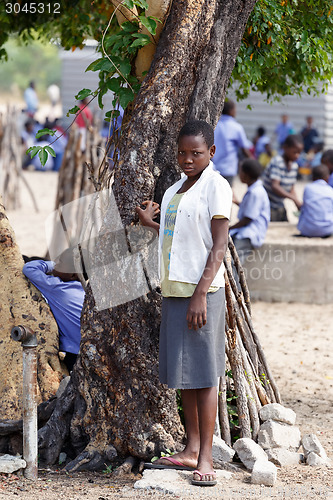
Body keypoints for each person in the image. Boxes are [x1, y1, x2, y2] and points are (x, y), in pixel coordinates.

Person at [136, 120, 232, 487]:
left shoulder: (216, 187)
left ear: (211, 152)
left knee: (205, 374)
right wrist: (151, 224)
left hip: (201, 294)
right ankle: (191, 449)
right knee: (186, 374)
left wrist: (199, 295)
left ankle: (205, 458)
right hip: (174, 290)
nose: (187, 159)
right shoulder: (177, 187)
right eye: (182, 152)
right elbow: (181, 238)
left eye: (196, 152)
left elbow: (218, 245)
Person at [23, 248, 86, 372]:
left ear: (73, 274)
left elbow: (29, 268)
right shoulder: (83, 292)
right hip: (86, 348)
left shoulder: (58, 288)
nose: (56, 263)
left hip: (77, 353)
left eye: (60, 262)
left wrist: (51, 265)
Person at [230, 159, 270, 263]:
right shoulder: (254, 190)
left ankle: (234, 278)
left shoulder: (255, 193)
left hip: (250, 233)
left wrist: (229, 228)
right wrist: (236, 201)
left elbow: (248, 218)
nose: (239, 174)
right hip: (246, 230)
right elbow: (249, 209)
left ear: (246, 175)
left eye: (240, 172)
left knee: (235, 263)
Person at [262, 134, 303, 221]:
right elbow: (275, 186)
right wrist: (293, 199)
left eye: (299, 153)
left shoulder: (294, 166)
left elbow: (291, 188)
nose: (297, 156)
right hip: (269, 204)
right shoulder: (278, 162)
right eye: (295, 152)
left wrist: (298, 203)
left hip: (279, 204)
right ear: (285, 148)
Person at [213, 100, 253, 185]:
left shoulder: (215, 125)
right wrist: (253, 162)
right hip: (228, 168)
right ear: (231, 111)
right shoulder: (236, 127)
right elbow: (244, 149)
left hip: (213, 167)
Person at [297, 165, 333, 238]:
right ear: (327, 178)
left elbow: (305, 206)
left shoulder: (308, 188)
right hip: (328, 229)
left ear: (313, 177)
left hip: (308, 230)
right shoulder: (330, 190)